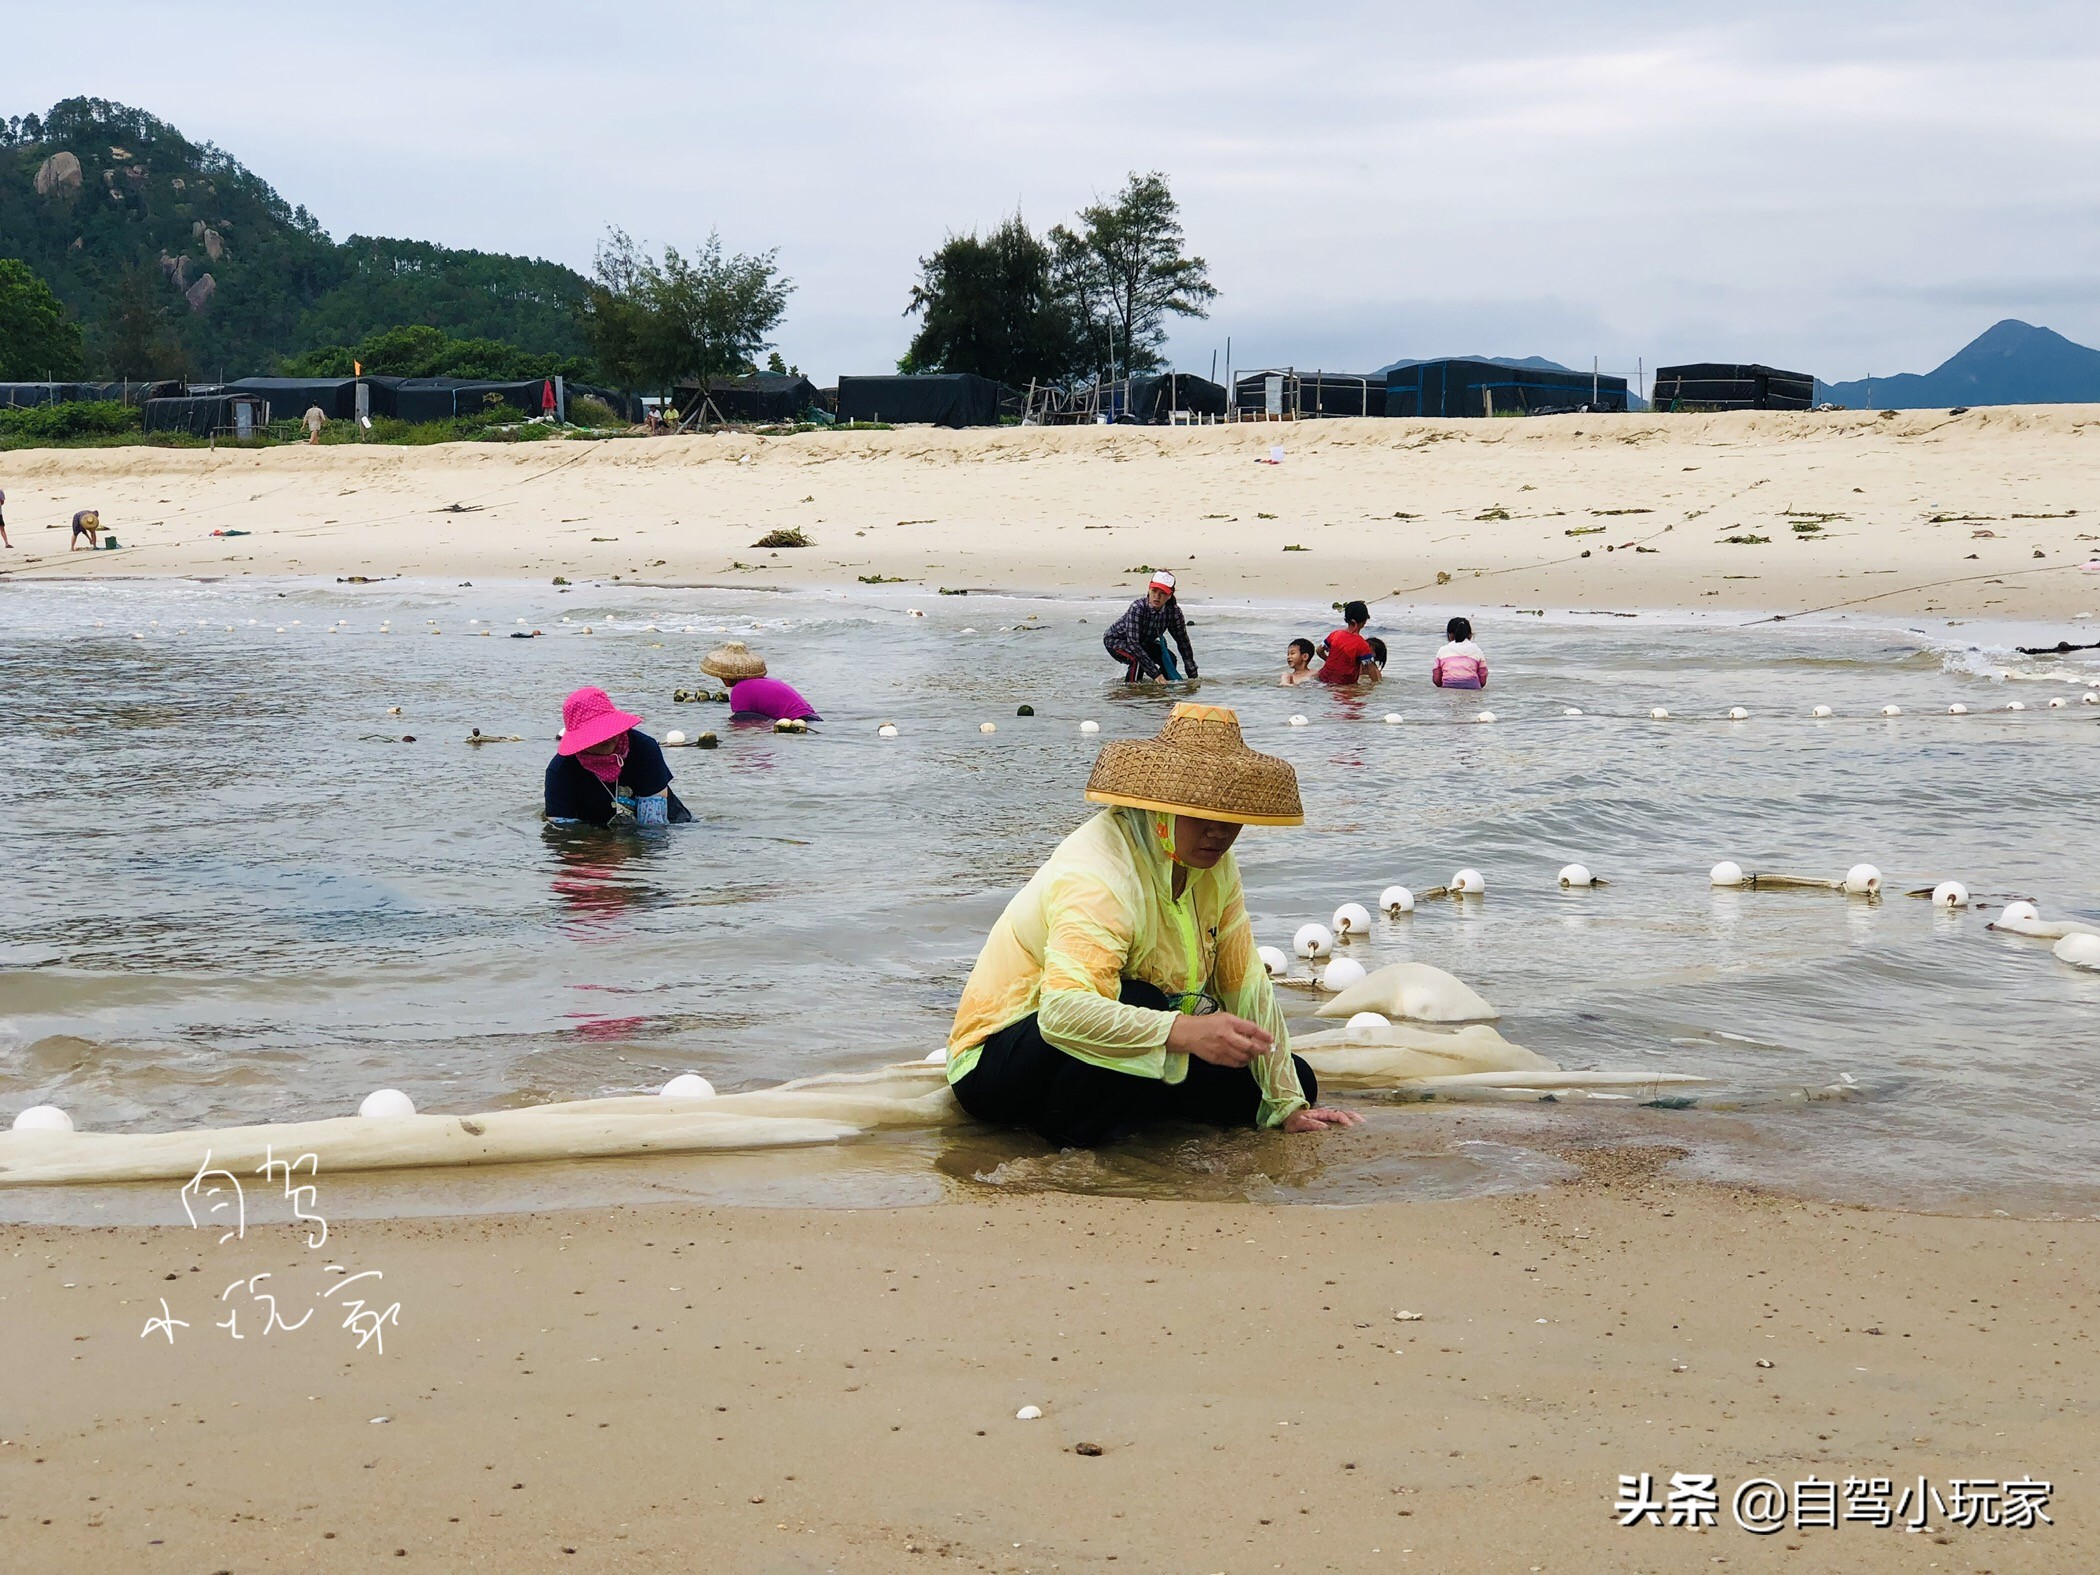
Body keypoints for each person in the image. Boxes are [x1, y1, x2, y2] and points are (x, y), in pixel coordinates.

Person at [945, 702, 1362, 1146]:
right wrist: (1185, 1032)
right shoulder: (1098, 872)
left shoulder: (1215, 866)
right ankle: (1073, 1136)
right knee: (1142, 999)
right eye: (1201, 815)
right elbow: (1061, 1014)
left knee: (1294, 1078)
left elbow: (1245, 984)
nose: (1218, 834)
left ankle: (1131, 1105)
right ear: (1162, 808)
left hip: (1139, 1039)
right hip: (1004, 1061)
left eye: (1230, 818)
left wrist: (1287, 1102)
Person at [544, 686, 693, 827]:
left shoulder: (644, 749)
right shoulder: (559, 771)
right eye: (596, 734)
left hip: (669, 822)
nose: (607, 738)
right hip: (597, 834)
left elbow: (654, 828)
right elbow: (563, 832)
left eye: (608, 730)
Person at [1103, 570, 1198, 682]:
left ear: (1169, 595)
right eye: (1154, 591)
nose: (1157, 596)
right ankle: (1130, 691)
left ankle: (1162, 692)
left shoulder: (1174, 613)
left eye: (1162, 593)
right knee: (1137, 661)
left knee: (1171, 660)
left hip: (1145, 642)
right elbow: (1133, 643)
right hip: (1116, 640)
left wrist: (1192, 676)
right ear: (1149, 590)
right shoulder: (1137, 608)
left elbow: (1183, 643)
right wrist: (1155, 674)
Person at [702, 641, 820, 722]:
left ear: (726, 679)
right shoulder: (766, 682)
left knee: (738, 718)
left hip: (798, 721)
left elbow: (743, 722)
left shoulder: (740, 690)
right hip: (811, 719)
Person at [1315, 599, 1375, 683]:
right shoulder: (1362, 644)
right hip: (1343, 686)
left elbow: (1319, 650)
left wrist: (1329, 661)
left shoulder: (1335, 635)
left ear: (1346, 619)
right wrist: (1377, 686)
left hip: (1322, 679)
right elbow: (1370, 668)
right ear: (1365, 620)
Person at [1432, 617, 1489, 689]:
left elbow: (1436, 679)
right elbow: (1483, 679)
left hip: (1448, 690)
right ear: (1470, 635)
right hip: (1473, 689)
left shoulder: (1443, 651)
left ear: (1450, 635)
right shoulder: (1477, 651)